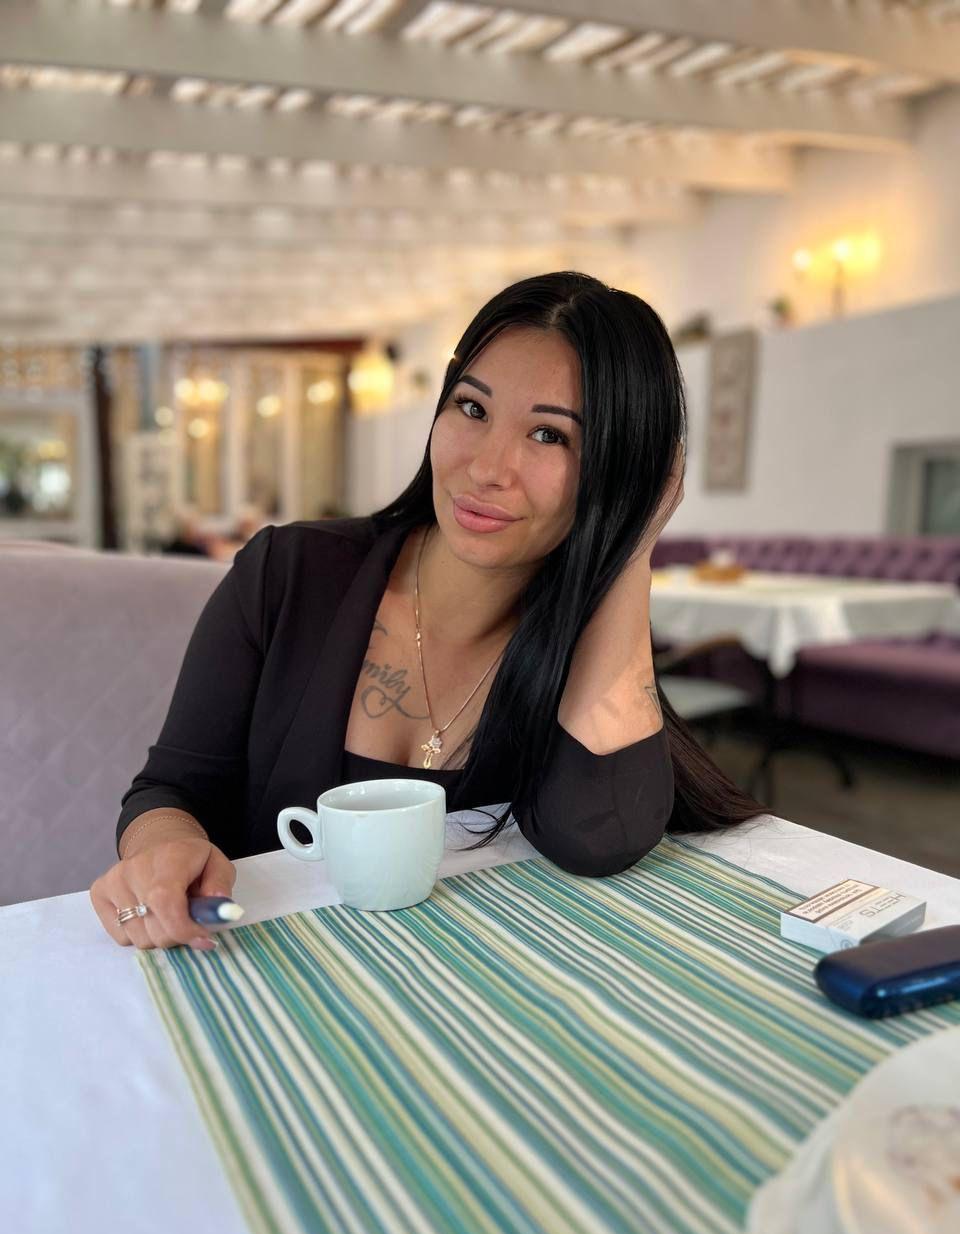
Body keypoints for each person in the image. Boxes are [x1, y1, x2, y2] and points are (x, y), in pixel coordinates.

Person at [90, 271, 766, 952]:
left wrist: (634, 542)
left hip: (468, 993)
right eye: (472, 408)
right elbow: (171, 790)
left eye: (549, 435)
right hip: (264, 969)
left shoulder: (582, 647)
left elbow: (600, 836)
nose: (487, 468)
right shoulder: (288, 573)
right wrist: (163, 849)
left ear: (617, 470)